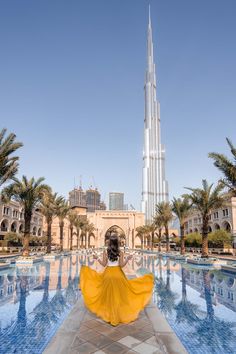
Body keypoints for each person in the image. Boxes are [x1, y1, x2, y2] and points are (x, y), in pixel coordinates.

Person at [80, 234, 154, 326]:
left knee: (108, 295)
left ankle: (110, 315)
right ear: (118, 243)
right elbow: (122, 265)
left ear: (110, 242)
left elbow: (103, 264)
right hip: (118, 275)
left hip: (108, 275)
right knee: (119, 295)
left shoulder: (105, 251)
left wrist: (96, 258)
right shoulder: (120, 252)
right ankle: (118, 315)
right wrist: (128, 258)